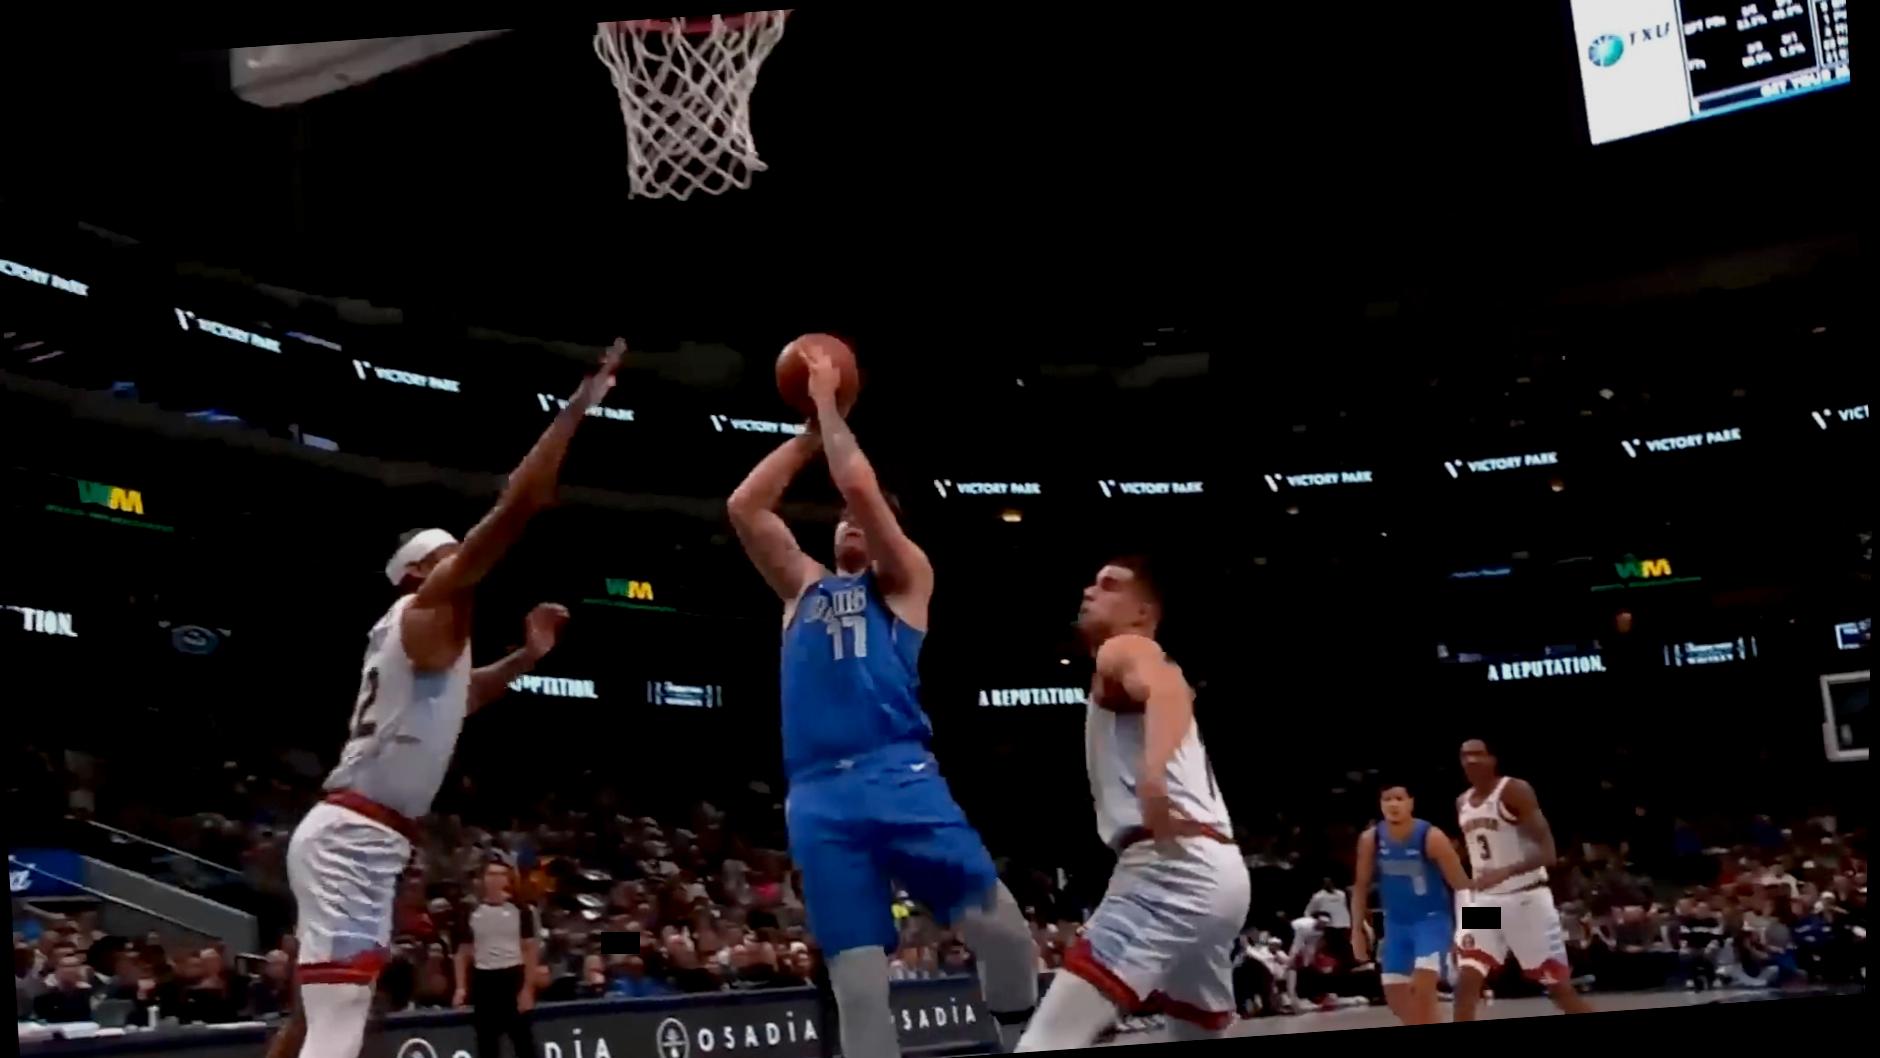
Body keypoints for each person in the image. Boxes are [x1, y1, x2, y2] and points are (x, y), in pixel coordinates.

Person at [265, 343, 622, 1058]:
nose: (463, 556)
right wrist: (575, 411)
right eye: (448, 553)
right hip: (354, 836)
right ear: (419, 571)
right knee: (341, 1011)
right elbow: (520, 503)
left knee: (317, 1011)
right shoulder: (426, 609)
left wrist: (524, 659)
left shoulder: (426, 641)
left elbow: (461, 699)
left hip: (361, 833)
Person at [726, 343, 1037, 1058]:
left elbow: (862, 488)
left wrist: (830, 404)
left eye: (862, 520)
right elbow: (745, 506)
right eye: (840, 519)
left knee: (1002, 930)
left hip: (897, 772)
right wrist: (809, 434)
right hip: (818, 795)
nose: (850, 521)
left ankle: (1021, 1037)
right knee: (859, 984)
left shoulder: (904, 581)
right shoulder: (802, 588)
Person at [1016, 559, 1251, 1050]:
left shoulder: (1125, 647)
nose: (1089, 591)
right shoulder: (1143, 664)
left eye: (1109, 586)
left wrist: (1152, 775)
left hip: (1171, 870)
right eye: (1092, 582)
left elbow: (1167, 688)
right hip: (1220, 872)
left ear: (1143, 612)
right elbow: (1173, 690)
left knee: (1047, 1041)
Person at [1451, 739, 1592, 1021]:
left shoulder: (1514, 790)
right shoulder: (1462, 802)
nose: (1471, 760)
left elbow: (1547, 852)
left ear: (1493, 758)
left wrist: (1505, 871)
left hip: (1526, 899)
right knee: (1466, 982)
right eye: (1465, 755)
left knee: (1559, 991)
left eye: (1478, 754)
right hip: (1485, 902)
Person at [1350, 784, 1471, 1025]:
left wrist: (1470, 931)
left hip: (1432, 921)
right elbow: (1360, 886)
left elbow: (1463, 886)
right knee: (1396, 998)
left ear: (1411, 803)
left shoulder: (1431, 837)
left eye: (1399, 798)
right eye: (1387, 799)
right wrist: (1356, 931)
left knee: (1422, 989)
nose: (1393, 804)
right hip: (1395, 925)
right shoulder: (1371, 839)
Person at [454, 861, 540, 1058]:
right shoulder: (470, 911)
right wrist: (461, 988)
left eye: (500, 874)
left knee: (524, 1042)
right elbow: (462, 952)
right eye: (491, 874)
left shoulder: (521, 910)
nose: (495, 879)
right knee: (486, 1043)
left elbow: (530, 950)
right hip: (484, 980)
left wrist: (527, 989)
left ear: (507, 879)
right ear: (483, 879)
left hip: (513, 977)